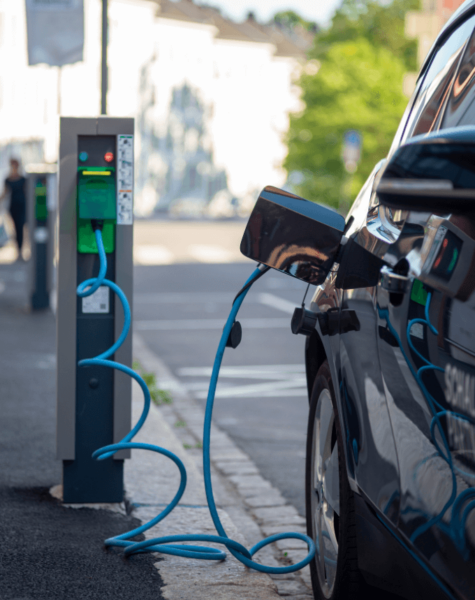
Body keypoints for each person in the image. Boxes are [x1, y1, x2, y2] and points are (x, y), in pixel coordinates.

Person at [0, 158, 27, 261]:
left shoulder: (23, 179)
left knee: (21, 227)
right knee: (15, 228)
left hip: (23, 206)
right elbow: (4, 193)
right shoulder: (8, 179)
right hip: (13, 207)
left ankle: (20, 249)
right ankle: (18, 249)